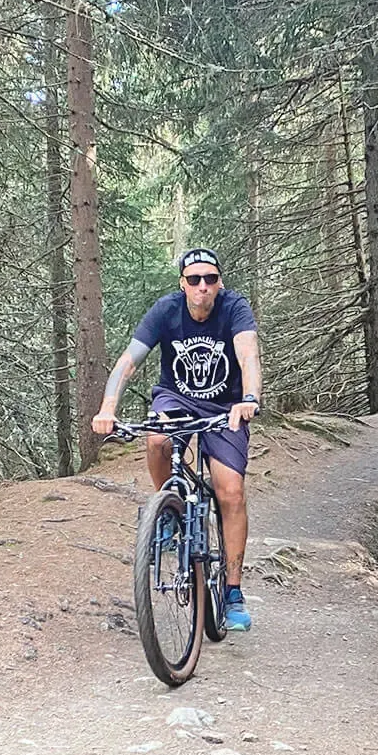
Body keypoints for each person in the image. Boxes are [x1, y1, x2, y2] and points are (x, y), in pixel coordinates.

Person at [91, 247, 263, 630]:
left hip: (227, 406)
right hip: (177, 397)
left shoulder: (234, 307)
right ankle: (168, 505)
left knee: (230, 492)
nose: (203, 287)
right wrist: (107, 407)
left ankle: (233, 592)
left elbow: (248, 355)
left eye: (211, 279)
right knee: (156, 440)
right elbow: (128, 361)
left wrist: (249, 399)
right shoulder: (166, 310)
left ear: (219, 282)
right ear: (182, 284)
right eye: (194, 279)